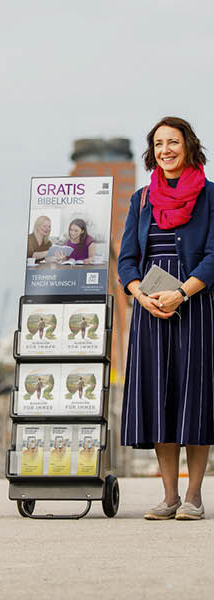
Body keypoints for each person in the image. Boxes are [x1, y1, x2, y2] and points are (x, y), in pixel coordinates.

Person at [118, 116, 214, 521]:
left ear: (189, 145)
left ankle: (194, 496)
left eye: (173, 142)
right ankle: (169, 495)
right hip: (150, 311)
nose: (165, 150)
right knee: (161, 399)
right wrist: (140, 295)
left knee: (194, 399)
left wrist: (180, 292)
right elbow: (126, 261)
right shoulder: (141, 199)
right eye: (158, 144)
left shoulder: (211, 196)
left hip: (195, 306)